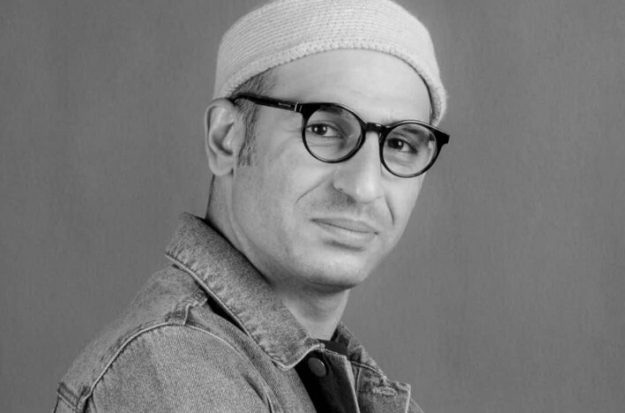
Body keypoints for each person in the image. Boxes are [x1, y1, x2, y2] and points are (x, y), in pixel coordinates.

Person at [53, 0, 449, 411]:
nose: (364, 187)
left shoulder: (327, 380)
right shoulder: (175, 367)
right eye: (323, 129)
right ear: (226, 139)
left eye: (400, 143)